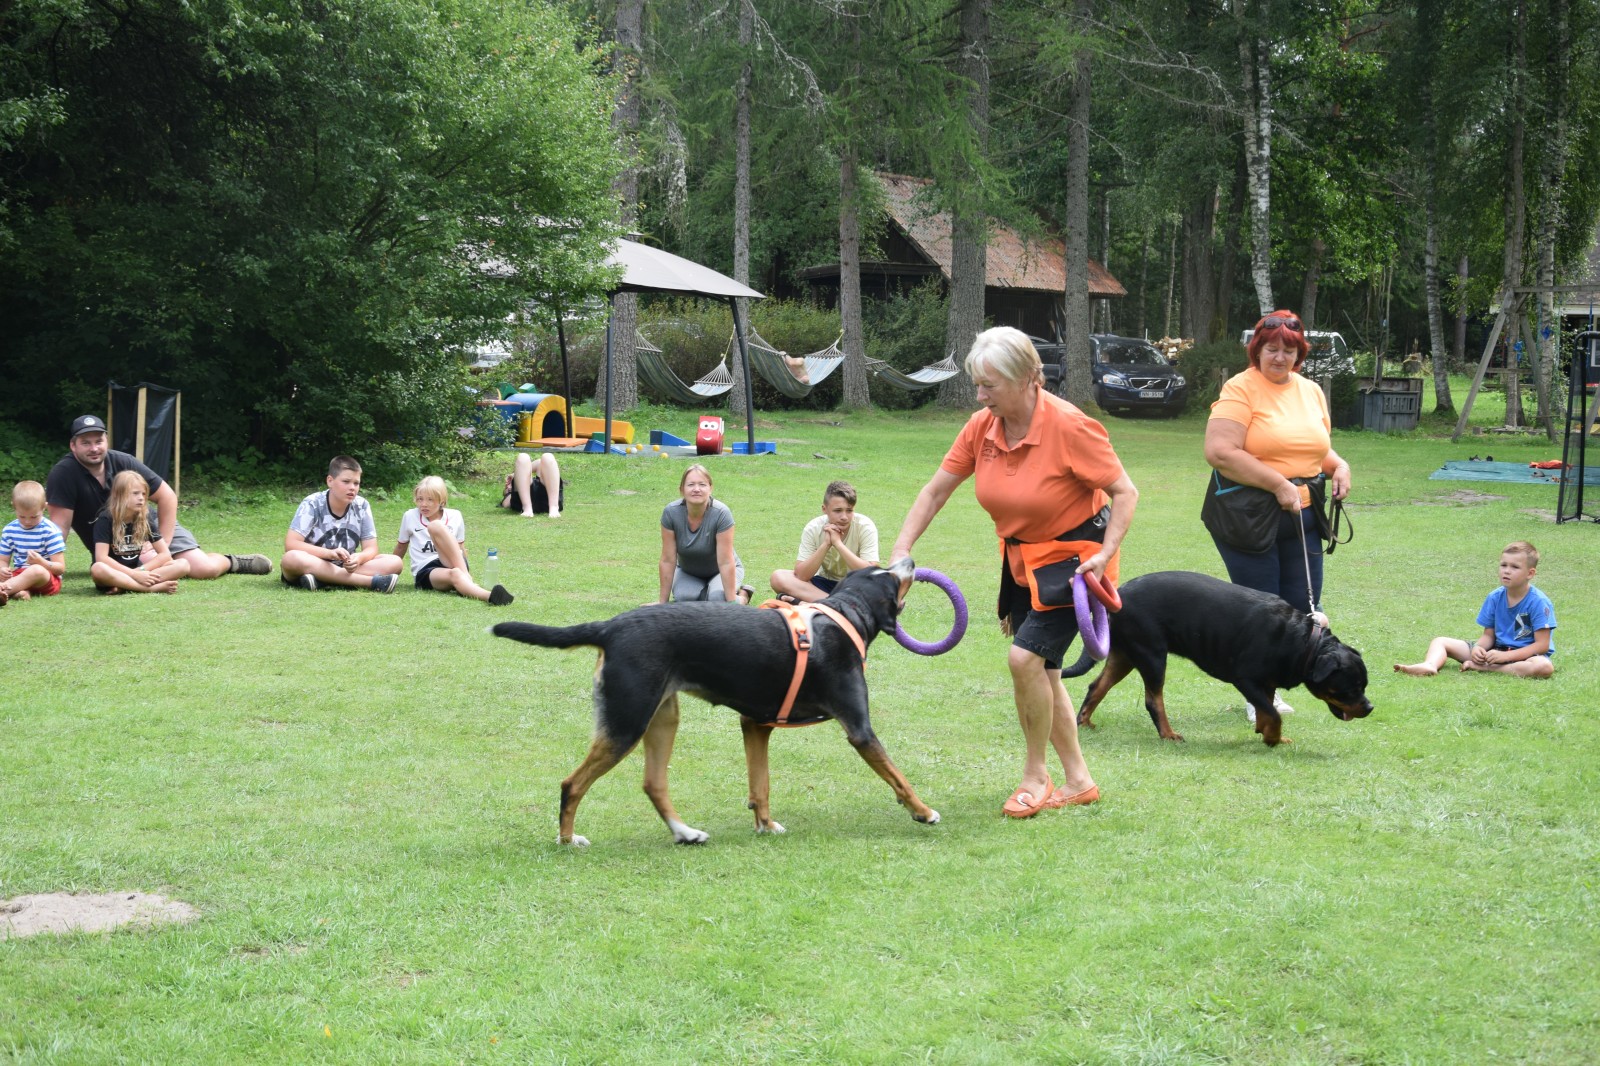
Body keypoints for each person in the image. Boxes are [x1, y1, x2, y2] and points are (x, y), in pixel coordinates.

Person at [891, 326, 1138, 818]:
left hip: (1077, 564)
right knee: (1045, 670)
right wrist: (902, 551)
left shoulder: (1070, 427)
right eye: (977, 385)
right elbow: (935, 491)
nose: (980, 396)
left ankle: (1035, 776)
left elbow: (1125, 492)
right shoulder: (982, 427)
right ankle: (1079, 781)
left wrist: (1106, 553)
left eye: (990, 386)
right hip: (1023, 563)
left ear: (1027, 378)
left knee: (1025, 661)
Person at [1202, 310, 1352, 718]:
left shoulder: (1311, 391)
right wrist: (1277, 484)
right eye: (1272, 349)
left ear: (1300, 354)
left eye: (1289, 350)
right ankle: (1259, 697)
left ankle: (1281, 681)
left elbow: (1314, 448)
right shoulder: (1240, 388)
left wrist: (1339, 466)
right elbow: (1220, 452)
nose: (1280, 357)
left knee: (1303, 608)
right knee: (1262, 610)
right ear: (1257, 350)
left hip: (1302, 511)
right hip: (1247, 515)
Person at [46, 414, 273, 579]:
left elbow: (168, 497)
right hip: (112, 545)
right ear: (73, 446)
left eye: (98, 441)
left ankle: (232, 562)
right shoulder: (63, 474)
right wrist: (49, 569)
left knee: (204, 569)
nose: (94, 448)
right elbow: (59, 529)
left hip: (149, 528)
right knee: (144, 568)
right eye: (86, 443)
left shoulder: (124, 462)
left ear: (106, 440)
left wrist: (160, 543)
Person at [1395, 541, 1556, 679]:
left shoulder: (1538, 602)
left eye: (1515, 567)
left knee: (1544, 667)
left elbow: (1542, 645)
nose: (1506, 570)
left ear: (1530, 573)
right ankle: (1430, 665)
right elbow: (1488, 635)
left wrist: (1506, 656)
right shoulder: (1495, 597)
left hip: (1525, 656)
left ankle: (1486, 668)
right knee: (1440, 641)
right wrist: (1479, 648)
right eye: (1503, 565)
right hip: (1494, 651)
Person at [279, 456, 403, 592]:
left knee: (395, 562)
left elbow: (371, 548)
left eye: (356, 483)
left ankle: (322, 580)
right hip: (315, 562)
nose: (352, 488)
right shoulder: (312, 503)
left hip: (346, 566)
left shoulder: (362, 505)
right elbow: (291, 544)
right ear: (330, 481)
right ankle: (370, 582)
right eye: (346, 482)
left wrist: (359, 558)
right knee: (291, 558)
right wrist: (329, 554)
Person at [396, 476, 514, 605]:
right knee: (455, 573)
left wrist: (465, 567)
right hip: (426, 569)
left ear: (442, 501)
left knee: (436, 526)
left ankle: (466, 578)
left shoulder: (455, 515)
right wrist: (391, 570)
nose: (423, 504)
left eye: (430, 499)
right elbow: (401, 546)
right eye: (420, 499)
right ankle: (490, 596)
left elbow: (460, 547)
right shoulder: (410, 516)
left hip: (453, 561)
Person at [770, 480, 879, 604]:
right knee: (778, 577)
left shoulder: (865, 526)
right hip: (823, 584)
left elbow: (869, 573)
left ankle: (816, 603)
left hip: (855, 585)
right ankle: (839, 604)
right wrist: (826, 544)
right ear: (824, 509)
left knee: (881, 588)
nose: (844, 517)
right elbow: (801, 575)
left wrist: (838, 543)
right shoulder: (813, 528)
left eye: (849, 510)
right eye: (838, 511)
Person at [658, 463, 752, 604]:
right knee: (684, 599)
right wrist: (662, 603)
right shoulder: (671, 513)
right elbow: (667, 560)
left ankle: (743, 595)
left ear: (710, 488)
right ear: (682, 489)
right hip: (688, 572)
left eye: (702, 484)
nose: (696, 489)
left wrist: (732, 603)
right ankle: (707, 594)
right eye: (691, 485)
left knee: (718, 599)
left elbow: (726, 562)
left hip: (720, 570)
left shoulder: (721, 513)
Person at [90, 470, 189, 594]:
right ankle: (150, 588)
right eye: (135, 493)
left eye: (143, 494)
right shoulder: (105, 519)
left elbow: (165, 554)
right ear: (118, 494)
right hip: (114, 573)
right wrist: (133, 574)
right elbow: (101, 558)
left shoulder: (144, 518)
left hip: (139, 571)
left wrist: (140, 571)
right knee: (97, 568)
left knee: (183, 564)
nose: (141, 498)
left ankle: (125, 586)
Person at [0, 480, 67, 606]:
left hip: (47, 578)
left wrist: (41, 562)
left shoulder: (50, 531)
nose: (27, 522)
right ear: (14, 506)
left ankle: (4, 589)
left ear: (44, 507)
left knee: (36, 570)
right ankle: (21, 592)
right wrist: (2, 569)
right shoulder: (9, 530)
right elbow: (3, 560)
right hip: (19, 575)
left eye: (33, 517)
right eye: (22, 516)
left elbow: (60, 568)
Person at [498, 451, 563, 518]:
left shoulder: (538, 480)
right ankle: (527, 508)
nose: (507, 485)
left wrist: (516, 473)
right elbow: (506, 504)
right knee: (522, 457)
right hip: (524, 502)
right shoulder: (509, 497)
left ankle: (554, 507)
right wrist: (509, 490)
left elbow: (538, 462)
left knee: (547, 457)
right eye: (507, 486)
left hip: (547, 497)